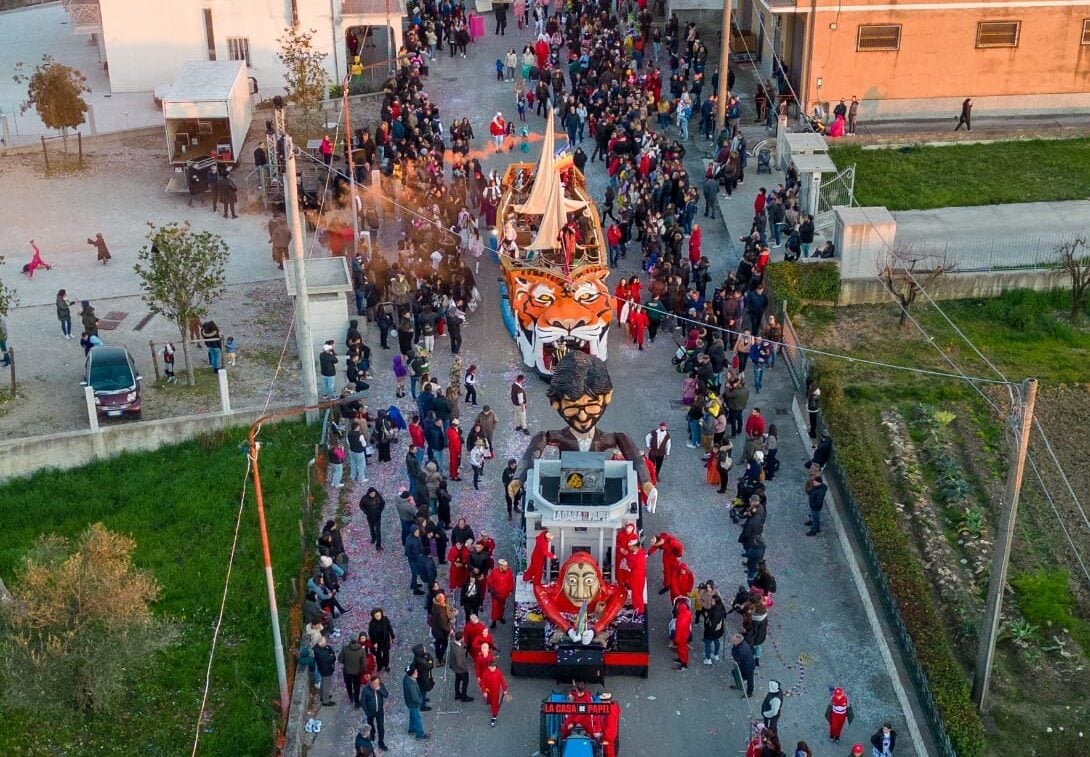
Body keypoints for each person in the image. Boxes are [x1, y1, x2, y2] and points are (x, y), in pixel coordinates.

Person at [339, 632, 369, 707]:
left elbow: (340, 659)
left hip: (347, 671)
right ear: (357, 640)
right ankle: (357, 702)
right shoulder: (361, 651)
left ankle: (351, 697)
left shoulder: (345, 649)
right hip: (357, 671)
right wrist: (366, 672)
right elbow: (364, 663)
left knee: (348, 685)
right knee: (356, 686)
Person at [478, 659, 509, 727]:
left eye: (494, 667)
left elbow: (502, 681)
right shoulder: (485, 673)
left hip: (496, 691)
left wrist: (505, 689)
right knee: (490, 700)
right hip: (488, 690)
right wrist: (484, 691)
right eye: (491, 667)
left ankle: (494, 716)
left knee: (494, 702)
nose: (492, 668)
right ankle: (492, 707)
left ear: (496, 667)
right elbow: (483, 683)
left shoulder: (498, 673)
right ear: (488, 667)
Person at [402, 665, 429, 740]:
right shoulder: (411, 685)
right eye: (415, 672)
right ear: (412, 674)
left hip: (409, 703)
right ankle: (420, 734)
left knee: (412, 715)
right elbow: (415, 698)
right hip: (413, 704)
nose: (417, 672)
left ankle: (412, 729)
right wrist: (420, 701)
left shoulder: (406, 678)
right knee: (417, 718)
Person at [486, 558, 515, 627]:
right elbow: (489, 582)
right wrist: (491, 590)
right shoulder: (494, 572)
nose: (506, 567)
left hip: (504, 594)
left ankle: (500, 616)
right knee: (495, 607)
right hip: (496, 594)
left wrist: (510, 590)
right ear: (501, 566)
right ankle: (494, 621)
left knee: (502, 606)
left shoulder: (509, 572)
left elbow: (511, 582)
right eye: (505, 566)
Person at [450, 629, 474, 702]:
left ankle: (457, 694)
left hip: (455, 668)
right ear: (461, 639)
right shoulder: (458, 651)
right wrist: (465, 669)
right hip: (461, 669)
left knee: (457, 680)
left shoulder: (453, 644)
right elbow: (459, 663)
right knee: (465, 682)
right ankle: (464, 697)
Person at [702, 592, 726, 664]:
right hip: (718, 630)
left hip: (711, 631)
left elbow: (712, 624)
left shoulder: (715, 611)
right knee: (716, 642)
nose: (711, 602)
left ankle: (708, 659)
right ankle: (716, 654)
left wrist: (706, 616)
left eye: (712, 601)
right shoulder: (721, 607)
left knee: (707, 644)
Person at [368, 608, 395, 672]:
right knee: (378, 655)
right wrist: (374, 643)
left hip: (385, 641)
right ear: (374, 616)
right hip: (377, 642)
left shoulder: (385, 619)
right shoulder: (372, 624)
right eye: (376, 616)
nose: (378, 617)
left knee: (386, 654)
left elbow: (389, 628)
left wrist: (392, 636)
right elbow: (371, 634)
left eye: (379, 615)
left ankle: (386, 665)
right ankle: (379, 666)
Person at [729, 633, 756, 697]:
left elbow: (737, 658)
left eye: (733, 640)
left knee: (750, 679)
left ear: (738, 641)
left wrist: (736, 660)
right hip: (744, 664)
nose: (732, 641)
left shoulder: (741, 649)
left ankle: (749, 693)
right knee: (737, 673)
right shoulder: (738, 645)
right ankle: (739, 685)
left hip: (748, 665)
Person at [314, 636, 337, 705]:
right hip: (326, 670)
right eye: (325, 643)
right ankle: (326, 701)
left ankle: (323, 696)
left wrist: (330, 652)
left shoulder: (317, 649)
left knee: (323, 683)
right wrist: (331, 654)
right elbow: (332, 658)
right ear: (321, 644)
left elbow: (330, 651)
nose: (326, 644)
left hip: (322, 669)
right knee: (326, 685)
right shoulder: (322, 653)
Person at [672, 595, 692, 670]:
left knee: (682, 649)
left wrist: (676, 639)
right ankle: (681, 660)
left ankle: (684, 664)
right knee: (682, 649)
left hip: (681, 637)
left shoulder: (681, 618)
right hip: (685, 635)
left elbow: (679, 630)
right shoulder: (687, 614)